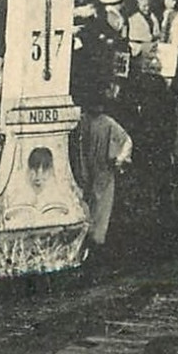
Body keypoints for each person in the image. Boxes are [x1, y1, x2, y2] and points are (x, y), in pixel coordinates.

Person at [74, 88, 132, 257]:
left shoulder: (96, 122)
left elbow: (125, 141)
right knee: (98, 203)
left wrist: (118, 160)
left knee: (96, 202)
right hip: (95, 166)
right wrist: (120, 160)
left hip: (98, 167)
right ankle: (94, 240)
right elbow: (126, 141)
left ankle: (93, 240)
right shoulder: (96, 122)